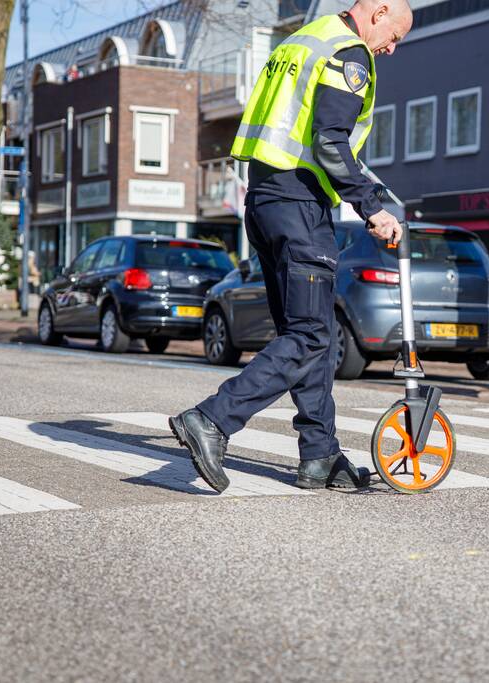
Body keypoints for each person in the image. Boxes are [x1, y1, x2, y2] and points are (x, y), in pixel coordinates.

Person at [167, 1, 412, 493]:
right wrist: (371, 207)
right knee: (311, 336)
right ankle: (212, 419)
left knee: (308, 336)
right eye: (395, 36)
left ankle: (320, 455)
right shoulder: (349, 53)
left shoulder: (302, 40)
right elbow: (329, 141)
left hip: (265, 198)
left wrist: (372, 192)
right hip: (300, 206)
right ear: (379, 11)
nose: (390, 49)